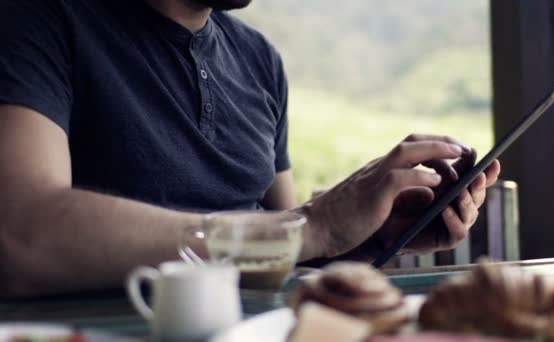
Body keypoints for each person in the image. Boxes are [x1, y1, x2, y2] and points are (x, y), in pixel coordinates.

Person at [0, 0, 500, 298]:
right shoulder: (37, 21)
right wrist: (313, 224)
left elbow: (285, 260)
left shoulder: (258, 59)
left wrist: (376, 236)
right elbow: (21, 234)